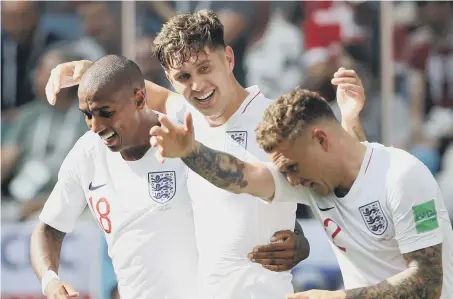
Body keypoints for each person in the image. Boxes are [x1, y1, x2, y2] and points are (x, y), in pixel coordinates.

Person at [44, 10, 364, 298]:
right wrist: (89, 70)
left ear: (228, 58)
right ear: (171, 79)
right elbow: (129, 87)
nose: (197, 85)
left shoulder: (278, 122)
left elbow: (350, 180)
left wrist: (350, 121)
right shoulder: (186, 114)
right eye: (184, 77)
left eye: (204, 68)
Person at [150, 83, 453, 298]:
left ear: (321, 139)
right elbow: (244, 176)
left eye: (293, 167)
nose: (291, 181)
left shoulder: (404, 177)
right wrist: (189, 150)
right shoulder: (313, 184)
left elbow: (427, 283)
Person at [30, 54, 199, 299]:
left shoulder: (187, 135)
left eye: (105, 112)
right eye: (87, 114)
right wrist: (50, 282)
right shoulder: (86, 154)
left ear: (139, 99)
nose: (95, 125)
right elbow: (48, 230)